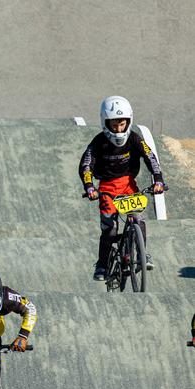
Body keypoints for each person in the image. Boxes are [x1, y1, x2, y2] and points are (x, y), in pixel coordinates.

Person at [79, 96, 165, 281]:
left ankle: (142, 253)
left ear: (129, 121)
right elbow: (86, 165)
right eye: (114, 125)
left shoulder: (134, 138)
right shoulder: (98, 142)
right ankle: (102, 265)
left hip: (128, 186)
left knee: (138, 219)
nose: (119, 129)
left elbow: (150, 156)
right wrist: (89, 187)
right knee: (110, 228)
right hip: (107, 189)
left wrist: (158, 180)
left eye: (122, 124)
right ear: (105, 123)